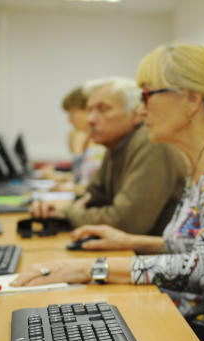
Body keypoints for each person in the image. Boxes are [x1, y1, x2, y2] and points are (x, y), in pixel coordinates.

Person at [14, 40, 204, 318]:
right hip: (182, 314)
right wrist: (130, 240)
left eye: (147, 95)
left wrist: (94, 267)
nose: (140, 111)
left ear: (191, 100)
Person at [28, 77, 187, 236]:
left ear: (136, 114)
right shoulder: (115, 145)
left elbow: (125, 221)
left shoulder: (151, 144)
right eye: (89, 111)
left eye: (103, 109)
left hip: (151, 257)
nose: (90, 120)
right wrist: (57, 210)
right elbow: (93, 197)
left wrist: (68, 214)